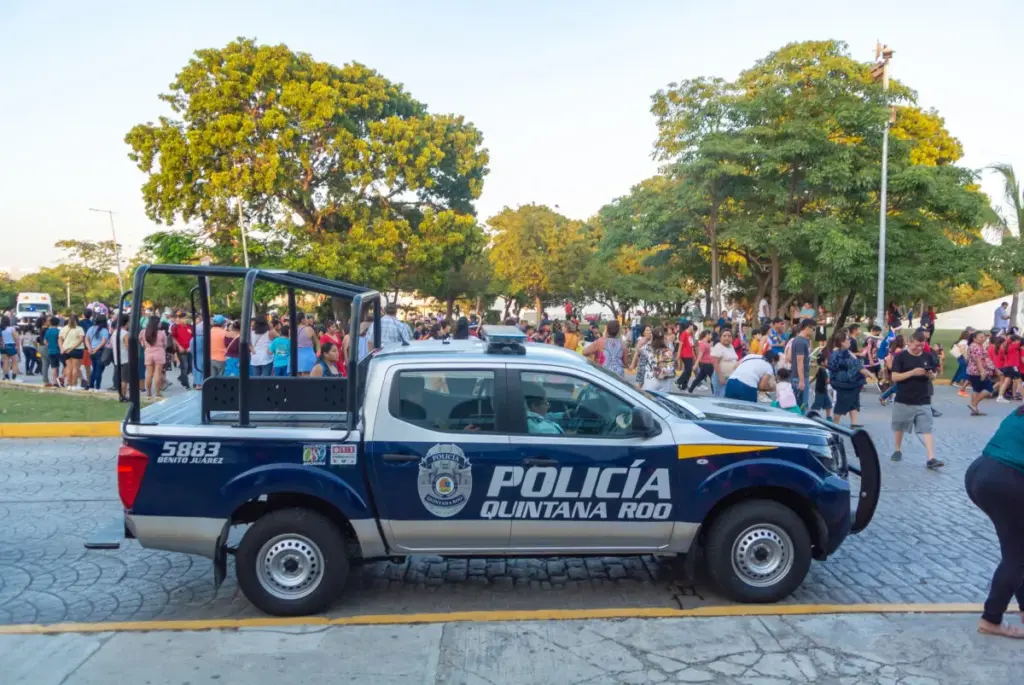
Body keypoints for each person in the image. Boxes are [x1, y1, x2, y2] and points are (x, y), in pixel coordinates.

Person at [965, 406, 1024, 638]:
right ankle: (991, 619)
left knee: (1016, 549)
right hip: (1006, 480)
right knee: (1018, 556)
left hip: (981, 472)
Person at [888, 330, 944, 468]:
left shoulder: (928, 356)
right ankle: (897, 449)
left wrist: (929, 375)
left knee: (927, 428)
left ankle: (931, 458)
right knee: (899, 426)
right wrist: (912, 373)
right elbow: (894, 377)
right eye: (916, 345)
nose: (919, 348)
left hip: (923, 399)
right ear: (909, 342)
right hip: (903, 398)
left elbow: (934, 376)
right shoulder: (901, 357)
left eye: (922, 345)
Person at [827, 329, 873, 428]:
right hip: (844, 382)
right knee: (841, 403)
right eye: (848, 339)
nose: (850, 341)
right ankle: (835, 425)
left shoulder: (844, 351)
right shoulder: (840, 353)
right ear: (842, 342)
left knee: (853, 402)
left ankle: (854, 423)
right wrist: (869, 373)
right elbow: (855, 365)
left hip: (847, 381)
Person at [967, 330, 996, 416]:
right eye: (981, 337)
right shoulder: (976, 347)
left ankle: (974, 409)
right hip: (978, 372)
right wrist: (982, 371)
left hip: (973, 371)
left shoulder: (975, 346)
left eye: (984, 337)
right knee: (989, 389)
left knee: (976, 389)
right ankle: (973, 404)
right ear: (974, 338)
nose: (983, 339)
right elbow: (978, 360)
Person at [788, 319, 815, 411]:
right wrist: (802, 381)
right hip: (799, 377)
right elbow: (800, 363)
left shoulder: (804, 341)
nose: (814, 332)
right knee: (802, 405)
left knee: (801, 404)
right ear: (808, 328)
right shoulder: (800, 342)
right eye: (813, 329)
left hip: (801, 376)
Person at [641, 328, 677, 392]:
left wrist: (647, 340)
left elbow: (640, 350)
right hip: (666, 379)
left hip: (651, 378)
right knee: (664, 400)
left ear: (653, 336)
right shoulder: (669, 346)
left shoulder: (648, 347)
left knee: (648, 399)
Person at [140, 316, 167, 398]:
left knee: (149, 374)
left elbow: (142, 343)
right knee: (157, 374)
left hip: (148, 352)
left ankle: (148, 393)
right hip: (159, 353)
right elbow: (165, 344)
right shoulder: (162, 333)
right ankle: (158, 392)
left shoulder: (143, 332)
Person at [59, 314, 85, 390]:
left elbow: (60, 339)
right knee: (75, 368)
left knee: (69, 368)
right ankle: (74, 385)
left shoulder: (64, 328)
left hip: (65, 350)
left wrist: (62, 348)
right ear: (77, 320)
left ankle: (69, 385)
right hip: (76, 350)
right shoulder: (79, 329)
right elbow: (80, 340)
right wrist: (72, 348)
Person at [710, 328, 739, 397]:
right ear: (720, 337)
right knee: (720, 397)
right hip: (721, 377)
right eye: (724, 336)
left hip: (730, 377)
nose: (727, 338)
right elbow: (715, 363)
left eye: (729, 336)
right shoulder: (718, 347)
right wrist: (721, 378)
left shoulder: (731, 346)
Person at [85, 314, 110, 391]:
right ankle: (97, 386)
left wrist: (90, 348)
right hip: (100, 351)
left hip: (91, 351)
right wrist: (96, 349)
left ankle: (91, 385)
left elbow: (86, 339)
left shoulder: (91, 328)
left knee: (94, 369)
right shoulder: (104, 330)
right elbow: (104, 341)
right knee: (99, 370)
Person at [170, 313, 194, 388]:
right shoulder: (175, 327)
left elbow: (193, 337)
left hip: (189, 349)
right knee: (185, 365)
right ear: (179, 319)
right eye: (183, 318)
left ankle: (181, 377)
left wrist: (190, 347)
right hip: (181, 349)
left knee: (190, 366)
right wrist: (179, 346)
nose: (185, 320)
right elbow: (173, 338)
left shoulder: (190, 327)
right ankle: (186, 383)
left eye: (186, 318)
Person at [810, 348, 832, 420]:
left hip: (822, 390)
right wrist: (833, 379)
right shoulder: (823, 370)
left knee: (828, 405)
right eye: (826, 360)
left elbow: (814, 378)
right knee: (817, 405)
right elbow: (827, 381)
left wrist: (809, 383)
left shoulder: (819, 369)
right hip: (821, 391)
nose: (827, 361)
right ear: (822, 363)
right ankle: (810, 416)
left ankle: (829, 418)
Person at [676, 322, 696, 391]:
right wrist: (678, 354)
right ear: (689, 326)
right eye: (692, 326)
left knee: (689, 371)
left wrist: (694, 356)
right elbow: (680, 344)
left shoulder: (690, 335)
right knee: (688, 370)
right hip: (684, 354)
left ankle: (684, 385)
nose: (693, 327)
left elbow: (691, 346)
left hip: (690, 354)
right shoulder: (684, 333)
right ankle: (678, 381)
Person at [0, 315, 21, 381]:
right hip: (11, 345)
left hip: (3, 346)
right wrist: (17, 347)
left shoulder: (1, 329)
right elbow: (16, 338)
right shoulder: (11, 329)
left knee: (5, 361)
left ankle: (6, 376)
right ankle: (14, 377)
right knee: (15, 361)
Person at [951, 330, 971, 397]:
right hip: (963, 357)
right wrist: (965, 358)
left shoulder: (962, 341)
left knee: (961, 370)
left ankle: (956, 381)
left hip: (961, 357)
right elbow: (962, 350)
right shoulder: (964, 342)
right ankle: (958, 382)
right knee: (965, 370)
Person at [45, 316, 62, 387]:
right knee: (58, 366)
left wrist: (50, 345)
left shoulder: (48, 331)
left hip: (50, 350)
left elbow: (45, 341)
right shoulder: (58, 331)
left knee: (53, 367)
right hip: (58, 350)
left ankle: (54, 381)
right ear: (58, 323)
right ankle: (57, 381)